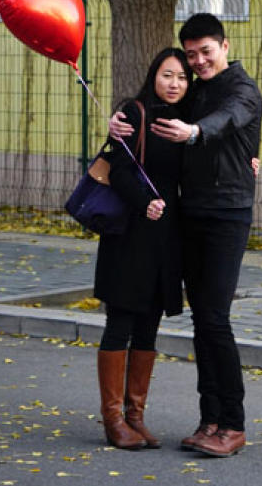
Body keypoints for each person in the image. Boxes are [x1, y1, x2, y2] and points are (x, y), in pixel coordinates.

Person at [152, 12, 262, 458]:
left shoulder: (242, 90)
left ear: (225, 46)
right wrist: (122, 123)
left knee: (215, 319)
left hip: (226, 217)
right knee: (202, 321)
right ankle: (209, 420)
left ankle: (233, 424)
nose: (198, 61)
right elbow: (158, 102)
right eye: (191, 54)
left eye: (206, 52)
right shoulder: (195, 90)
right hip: (191, 214)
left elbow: (229, 119)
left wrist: (195, 131)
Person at [94, 47, 192, 450]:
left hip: (166, 237)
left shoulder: (190, 122)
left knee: (149, 324)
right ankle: (113, 419)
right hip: (131, 233)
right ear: (154, 76)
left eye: (183, 77)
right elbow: (116, 168)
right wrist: (143, 201)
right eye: (168, 75)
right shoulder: (134, 114)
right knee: (121, 320)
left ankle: (136, 416)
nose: (175, 84)